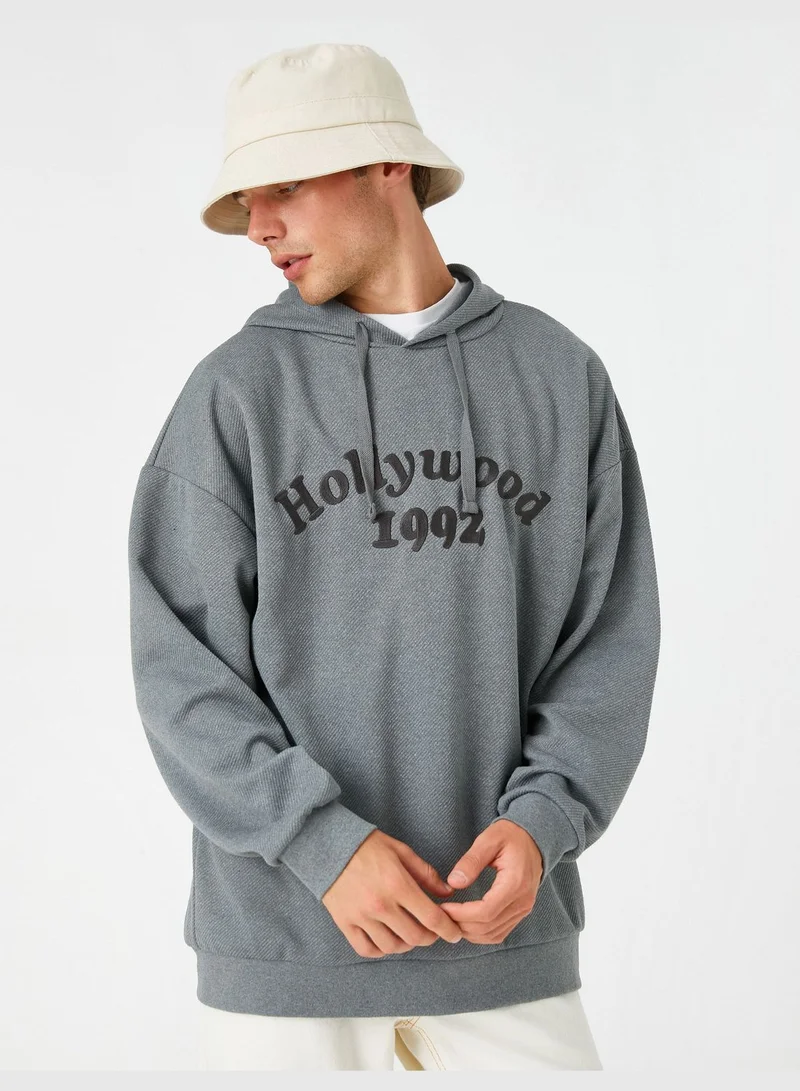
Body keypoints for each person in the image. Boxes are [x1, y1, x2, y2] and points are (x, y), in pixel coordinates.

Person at [127, 42, 661, 1071]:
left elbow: (609, 640)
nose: (259, 225)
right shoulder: (234, 396)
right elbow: (179, 673)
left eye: (284, 186)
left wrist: (544, 817)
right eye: (246, 200)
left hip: (504, 952)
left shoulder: (558, 377)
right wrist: (320, 844)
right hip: (285, 970)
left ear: (388, 164)